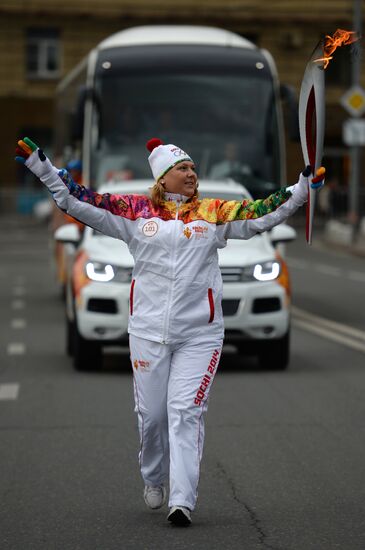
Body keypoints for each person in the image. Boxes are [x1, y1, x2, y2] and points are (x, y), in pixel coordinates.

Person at [15, 136, 325, 527]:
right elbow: (78, 200)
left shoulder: (212, 213)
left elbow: (261, 211)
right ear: (163, 177)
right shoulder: (134, 212)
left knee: (185, 412)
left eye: (194, 168)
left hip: (200, 333)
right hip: (146, 331)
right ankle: (153, 477)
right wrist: (43, 168)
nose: (192, 173)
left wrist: (301, 189)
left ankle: (182, 501)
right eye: (183, 169)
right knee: (152, 415)